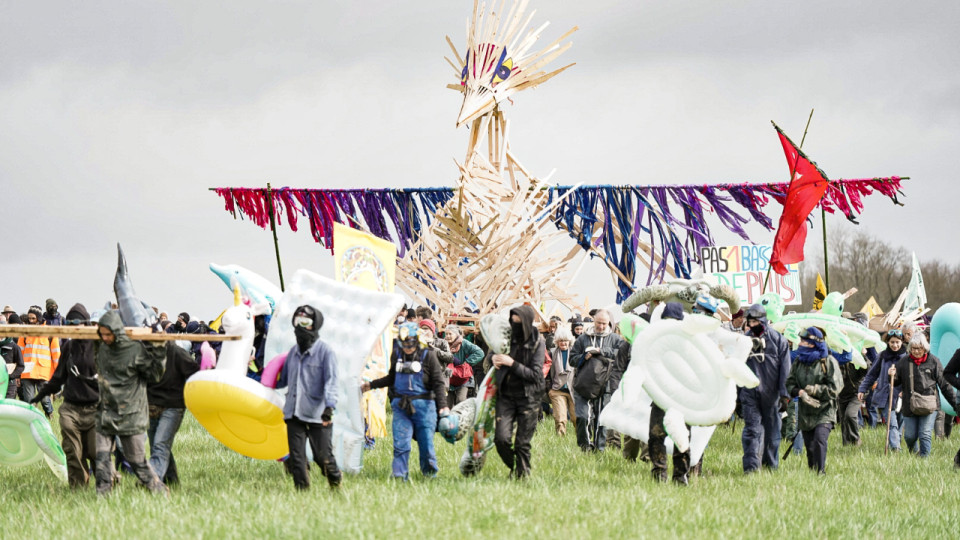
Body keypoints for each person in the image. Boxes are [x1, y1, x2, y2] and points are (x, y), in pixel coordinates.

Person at [93, 311, 167, 496]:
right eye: (102, 334)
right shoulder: (101, 347)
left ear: (117, 332)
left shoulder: (134, 350)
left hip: (131, 414)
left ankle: (159, 491)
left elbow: (155, 374)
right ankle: (103, 497)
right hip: (106, 411)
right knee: (101, 458)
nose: (106, 338)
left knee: (137, 462)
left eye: (109, 334)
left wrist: (159, 347)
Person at [362, 322, 449, 480]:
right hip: (401, 407)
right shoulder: (397, 354)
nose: (407, 348)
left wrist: (443, 407)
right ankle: (399, 475)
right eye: (404, 344)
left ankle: (429, 474)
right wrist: (371, 385)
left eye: (410, 343)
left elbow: (438, 382)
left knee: (426, 444)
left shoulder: (428, 355)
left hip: (425, 408)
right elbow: (392, 378)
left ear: (416, 340)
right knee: (401, 444)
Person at [30, 304, 99, 487]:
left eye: (77, 323)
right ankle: (77, 487)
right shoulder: (68, 347)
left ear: (86, 324)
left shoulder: (99, 346)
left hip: (95, 409)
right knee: (72, 451)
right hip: (71, 408)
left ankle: (108, 482)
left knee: (96, 452)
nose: (73, 327)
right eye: (69, 324)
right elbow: (58, 377)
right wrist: (39, 396)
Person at [276, 305, 341, 489]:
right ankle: (302, 493)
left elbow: (331, 381)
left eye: (305, 323)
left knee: (323, 458)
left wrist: (329, 407)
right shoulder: (292, 352)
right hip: (293, 412)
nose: (300, 327)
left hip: (318, 413)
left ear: (315, 325)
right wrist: (263, 376)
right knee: (297, 458)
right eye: (297, 322)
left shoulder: (326, 353)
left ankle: (335, 481)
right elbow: (284, 380)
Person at [491, 305, 545, 478]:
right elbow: (493, 351)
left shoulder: (537, 342)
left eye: (518, 323)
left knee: (522, 442)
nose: (514, 326)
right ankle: (516, 466)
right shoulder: (506, 336)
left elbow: (535, 375)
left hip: (529, 397)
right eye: (512, 322)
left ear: (527, 324)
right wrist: (492, 358)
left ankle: (522, 476)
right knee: (501, 438)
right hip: (505, 395)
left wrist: (511, 363)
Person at [739, 304, 791, 473]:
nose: (752, 325)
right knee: (752, 431)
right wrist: (737, 395)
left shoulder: (778, 340)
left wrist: (785, 395)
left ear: (762, 320)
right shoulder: (744, 341)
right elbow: (737, 367)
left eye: (755, 321)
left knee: (772, 434)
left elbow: (786, 370)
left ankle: (770, 466)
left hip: (772, 394)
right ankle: (752, 469)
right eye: (750, 321)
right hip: (750, 393)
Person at [889, 334, 960, 457]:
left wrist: (955, 405)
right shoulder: (903, 362)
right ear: (910, 348)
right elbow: (895, 383)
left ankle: (924, 460)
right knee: (910, 436)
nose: (916, 351)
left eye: (919, 348)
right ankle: (915, 453)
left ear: (925, 348)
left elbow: (944, 385)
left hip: (930, 405)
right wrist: (891, 375)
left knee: (925, 434)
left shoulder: (934, 361)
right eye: (913, 348)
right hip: (910, 405)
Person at [785, 327, 843, 475]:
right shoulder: (798, 361)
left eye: (804, 341)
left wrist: (815, 390)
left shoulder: (828, 362)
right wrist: (801, 393)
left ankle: (821, 472)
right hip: (805, 411)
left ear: (813, 344)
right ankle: (813, 473)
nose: (800, 344)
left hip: (825, 409)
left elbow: (836, 387)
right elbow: (789, 383)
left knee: (819, 439)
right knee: (810, 447)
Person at [647, 303, 692, 484]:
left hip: (683, 399)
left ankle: (681, 477)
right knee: (655, 436)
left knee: (682, 438)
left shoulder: (690, 343)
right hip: (660, 398)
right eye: (667, 320)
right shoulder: (655, 342)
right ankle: (659, 474)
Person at [570, 308, 625, 452]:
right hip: (584, 384)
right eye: (598, 323)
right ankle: (585, 448)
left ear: (609, 323)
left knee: (602, 420)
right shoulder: (583, 338)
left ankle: (599, 449)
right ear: (594, 321)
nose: (601, 326)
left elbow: (622, 354)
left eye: (604, 324)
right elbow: (572, 359)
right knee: (582, 417)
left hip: (605, 385)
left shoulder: (615, 339)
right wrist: (583, 357)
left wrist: (602, 351)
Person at [147, 341, 200, 487]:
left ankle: (152, 481)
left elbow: (195, 372)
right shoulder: (142, 352)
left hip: (173, 406)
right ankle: (171, 480)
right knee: (157, 446)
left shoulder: (176, 352)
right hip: (150, 405)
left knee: (160, 444)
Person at [18, 305, 60, 418]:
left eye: (33, 318)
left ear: (39, 318)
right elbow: (19, 354)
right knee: (29, 400)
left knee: (45, 400)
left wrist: (57, 373)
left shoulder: (50, 332)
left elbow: (56, 354)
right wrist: (18, 373)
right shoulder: (25, 332)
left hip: (43, 372)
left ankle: (49, 414)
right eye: (29, 318)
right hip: (27, 371)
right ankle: (31, 420)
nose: (31, 321)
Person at [546, 327, 576, 436]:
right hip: (557, 390)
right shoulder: (552, 353)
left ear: (569, 341)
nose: (563, 343)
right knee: (560, 418)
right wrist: (549, 389)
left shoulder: (575, 352)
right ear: (557, 342)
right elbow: (547, 372)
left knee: (576, 418)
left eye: (565, 340)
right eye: (561, 341)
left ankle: (581, 441)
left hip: (574, 390)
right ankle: (560, 439)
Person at [445, 325, 482, 406]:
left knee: (460, 400)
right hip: (449, 377)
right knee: (447, 404)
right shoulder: (443, 344)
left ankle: (460, 417)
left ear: (456, 334)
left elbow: (480, 353)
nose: (447, 336)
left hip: (463, 377)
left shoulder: (463, 343)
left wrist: (467, 363)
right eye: (446, 334)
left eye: (450, 334)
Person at [1, 314, 24, 399]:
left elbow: (21, 366)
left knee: (7, 407)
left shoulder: (14, 347)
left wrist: (11, 376)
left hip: (9, 384)